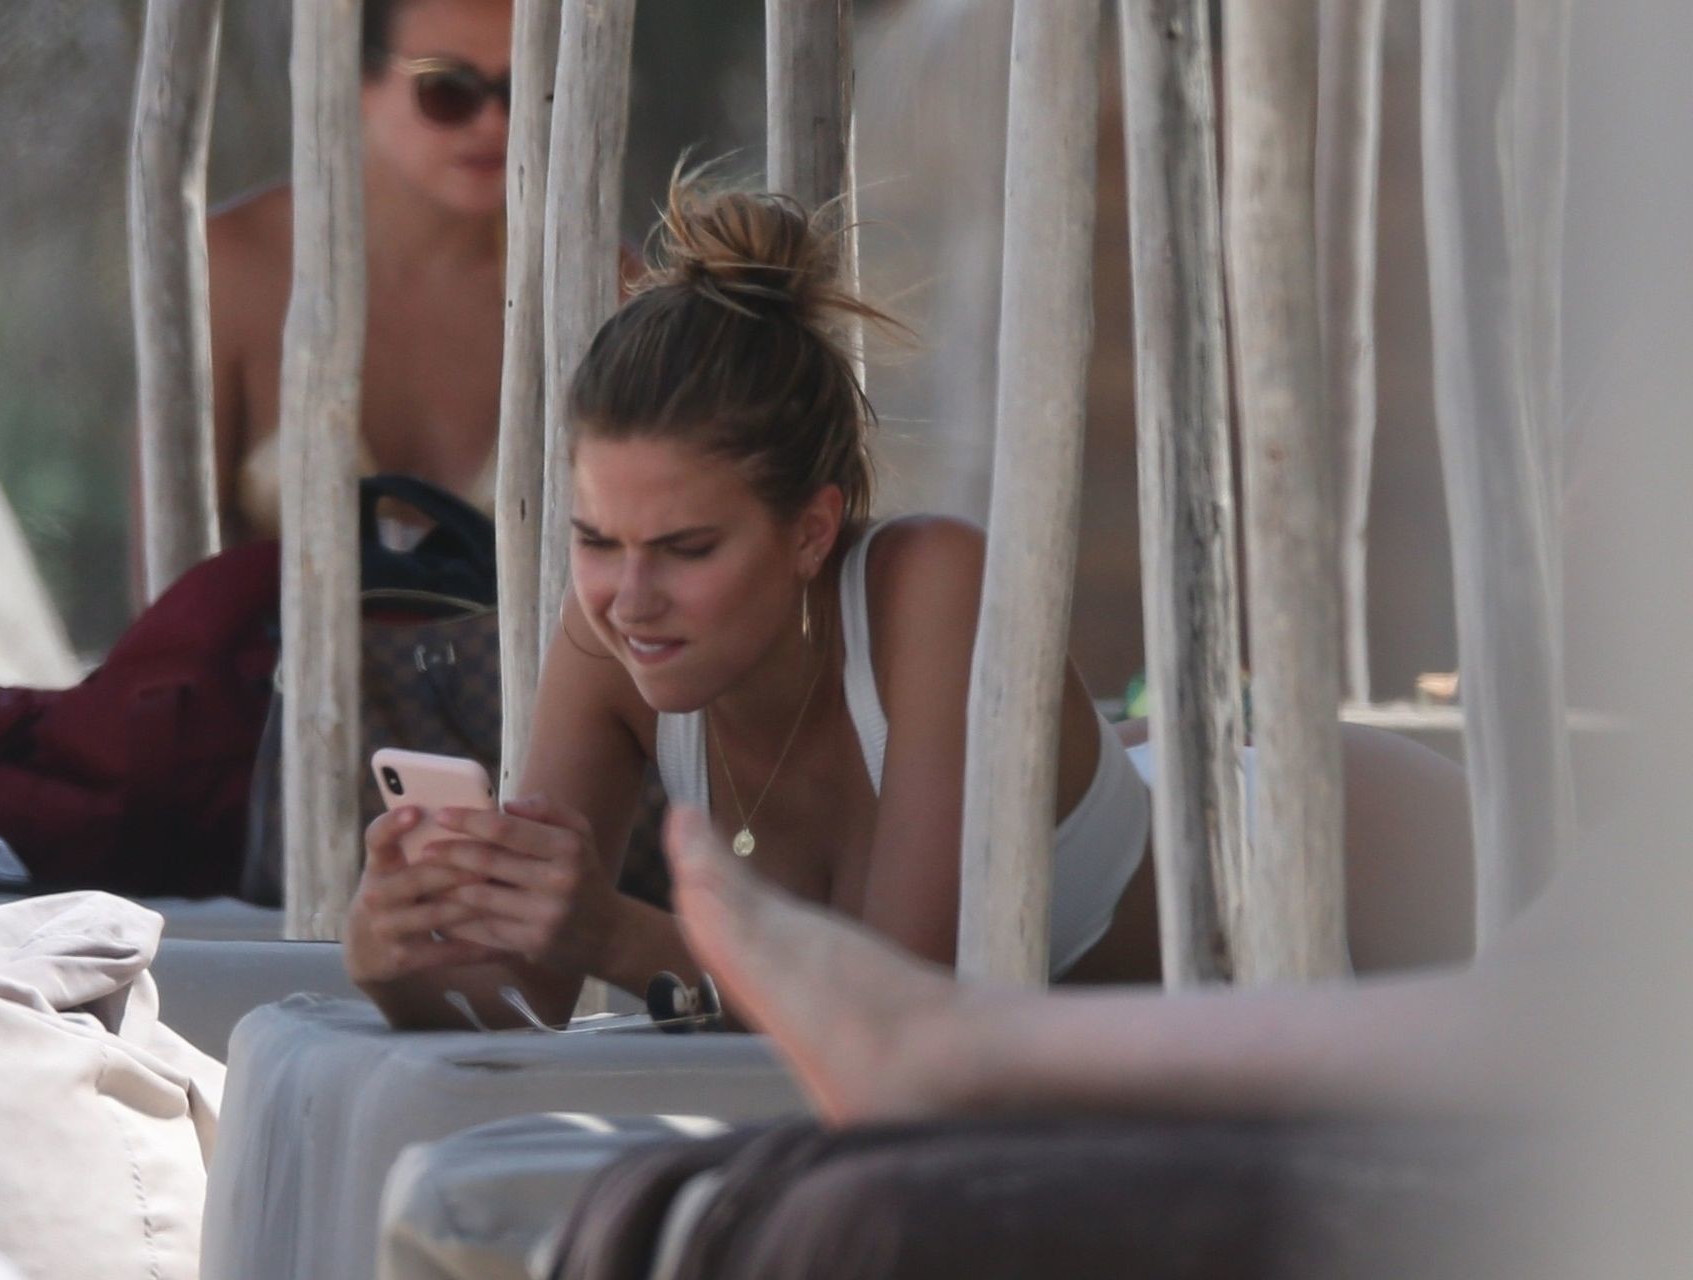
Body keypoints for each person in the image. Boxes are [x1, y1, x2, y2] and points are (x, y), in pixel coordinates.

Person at [342, 172, 1474, 1030]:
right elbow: (521, 1001)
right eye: (596, 541)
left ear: (812, 530)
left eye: (687, 548)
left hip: (1359, 867)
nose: (629, 597)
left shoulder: (933, 589)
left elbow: (899, 1011)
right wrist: (398, 959)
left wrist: (616, 933)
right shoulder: (609, 639)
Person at [205, 0, 511, 546]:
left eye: (522, 89)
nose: (494, 121)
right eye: (448, 88)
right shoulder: (236, 267)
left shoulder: (603, 289)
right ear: (359, 80)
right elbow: (166, 560)